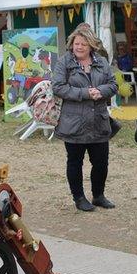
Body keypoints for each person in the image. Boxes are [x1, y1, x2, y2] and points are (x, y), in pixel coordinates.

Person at [52, 28, 118, 212]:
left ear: (91, 45)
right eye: (76, 43)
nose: (79, 47)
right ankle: (79, 198)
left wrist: (101, 91)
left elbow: (113, 85)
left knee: (101, 162)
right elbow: (57, 87)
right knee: (75, 162)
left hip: (99, 121)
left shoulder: (102, 62)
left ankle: (98, 195)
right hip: (74, 123)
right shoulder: (64, 62)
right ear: (71, 45)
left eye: (83, 44)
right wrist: (84, 93)